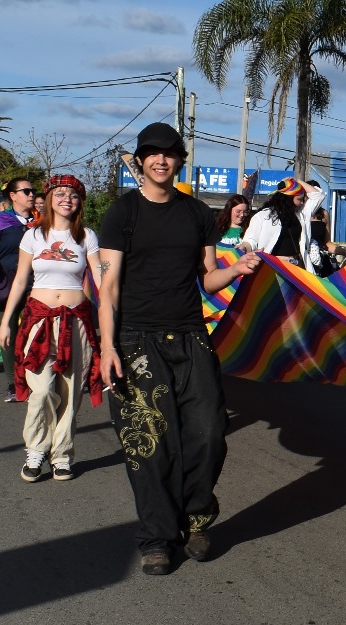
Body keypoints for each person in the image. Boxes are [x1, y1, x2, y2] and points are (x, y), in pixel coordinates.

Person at [97, 122, 262, 576]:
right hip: (135, 340)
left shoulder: (197, 214)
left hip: (190, 336)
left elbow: (207, 278)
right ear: (140, 161)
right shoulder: (123, 212)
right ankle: (157, 537)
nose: (161, 160)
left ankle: (195, 518)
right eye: (152, 153)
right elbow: (108, 286)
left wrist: (237, 270)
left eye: (169, 153)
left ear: (180, 160)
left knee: (208, 432)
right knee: (150, 444)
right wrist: (107, 346)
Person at [0, 174, 104, 483]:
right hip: (38, 319)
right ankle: (36, 449)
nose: (66, 199)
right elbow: (20, 280)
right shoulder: (32, 236)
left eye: (72, 195)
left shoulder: (87, 236)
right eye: (60, 194)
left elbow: (100, 276)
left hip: (77, 320)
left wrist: (113, 265)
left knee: (71, 393)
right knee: (41, 389)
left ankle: (62, 456)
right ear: (49, 198)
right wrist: (6, 321)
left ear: (79, 201)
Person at [0, 177, 36, 401]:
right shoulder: (1, 220)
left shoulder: (40, 222)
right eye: (26, 191)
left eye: (33, 191)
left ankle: (35, 377)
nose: (31, 195)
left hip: (35, 284)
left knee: (35, 331)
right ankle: (13, 383)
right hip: (7, 284)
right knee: (8, 332)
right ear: (13, 196)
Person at [239, 176, 324, 266]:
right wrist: (243, 247)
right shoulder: (263, 216)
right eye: (299, 199)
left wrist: (297, 180)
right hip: (273, 266)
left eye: (303, 199)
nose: (302, 203)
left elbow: (318, 196)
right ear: (288, 198)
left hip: (296, 265)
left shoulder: (301, 214)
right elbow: (250, 240)